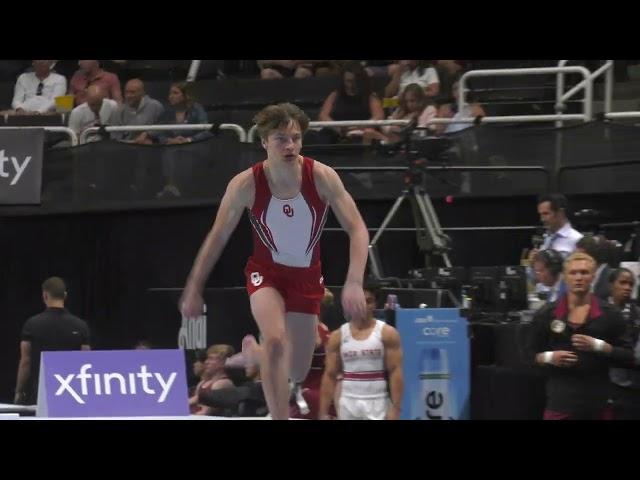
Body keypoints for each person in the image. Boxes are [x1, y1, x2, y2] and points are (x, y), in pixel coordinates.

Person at [180, 102, 369, 420]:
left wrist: (354, 281)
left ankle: (257, 353)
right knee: (277, 339)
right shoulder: (246, 184)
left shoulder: (322, 177)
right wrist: (194, 287)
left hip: (307, 278)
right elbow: (217, 238)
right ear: (264, 141)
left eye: (295, 138)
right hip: (265, 273)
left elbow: (358, 229)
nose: (290, 145)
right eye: (281, 138)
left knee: (297, 370)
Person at [524, 253, 633, 420]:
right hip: (561, 403)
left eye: (584, 272)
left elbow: (628, 356)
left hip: (599, 404)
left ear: (593, 277)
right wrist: (549, 357)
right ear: (565, 277)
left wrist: (600, 347)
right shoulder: (546, 314)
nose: (579, 277)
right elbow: (527, 355)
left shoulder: (611, 315)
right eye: (573, 273)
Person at [319, 284, 404, 420]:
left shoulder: (387, 334)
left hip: (378, 404)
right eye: (360, 301)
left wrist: (396, 408)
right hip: (348, 404)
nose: (364, 305)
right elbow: (329, 375)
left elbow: (395, 372)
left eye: (369, 301)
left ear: (375, 305)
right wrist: (322, 413)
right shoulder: (338, 336)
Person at [14, 277, 90, 405]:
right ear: (65, 295)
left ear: (44, 295)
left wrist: (19, 391)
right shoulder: (81, 326)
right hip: (74, 394)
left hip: (40, 394)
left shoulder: (32, 325)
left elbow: (25, 362)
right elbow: (87, 362)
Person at [607, 268, 640, 419]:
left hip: (631, 382)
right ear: (611, 285)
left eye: (631, 284)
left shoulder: (637, 313)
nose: (627, 287)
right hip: (603, 379)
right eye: (623, 282)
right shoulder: (598, 309)